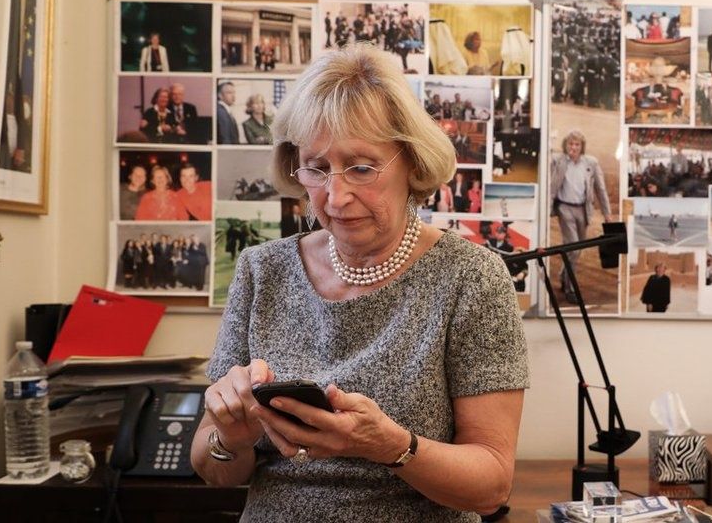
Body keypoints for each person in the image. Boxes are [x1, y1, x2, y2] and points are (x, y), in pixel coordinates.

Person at [193, 46, 529, 521]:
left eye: (362, 167)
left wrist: (390, 447)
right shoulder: (260, 270)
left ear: (413, 163)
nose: (336, 196)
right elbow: (212, 469)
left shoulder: (470, 277)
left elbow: (491, 485)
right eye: (316, 167)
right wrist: (231, 438)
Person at [550, 130, 612, 303]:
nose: (574, 147)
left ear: (582, 146)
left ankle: (564, 275)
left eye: (577, 144)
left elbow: (601, 189)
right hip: (564, 208)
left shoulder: (591, 163)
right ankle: (570, 288)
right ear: (565, 145)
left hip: (583, 210)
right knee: (574, 248)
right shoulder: (558, 160)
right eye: (570, 144)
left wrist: (607, 213)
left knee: (577, 248)